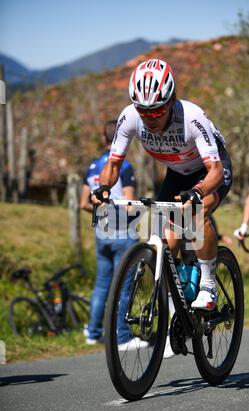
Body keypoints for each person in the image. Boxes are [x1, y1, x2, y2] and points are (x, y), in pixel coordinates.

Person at [91, 58, 233, 312]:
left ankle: (208, 285)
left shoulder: (191, 117)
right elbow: (112, 166)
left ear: (171, 101)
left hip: (210, 171)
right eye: (143, 112)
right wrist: (102, 189)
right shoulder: (129, 117)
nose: (149, 119)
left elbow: (216, 170)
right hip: (178, 173)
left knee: (195, 214)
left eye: (156, 112)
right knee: (162, 243)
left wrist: (198, 191)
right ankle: (174, 305)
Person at [80, 120, 146, 349]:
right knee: (124, 286)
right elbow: (129, 205)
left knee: (102, 285)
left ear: (103, 138)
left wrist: (104, 208)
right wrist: (142, 211)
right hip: (123, 232)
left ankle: (93, 332)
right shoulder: (123, 167)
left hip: (101, 232)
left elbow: (84, 203)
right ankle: (123, 337)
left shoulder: (91, 167)